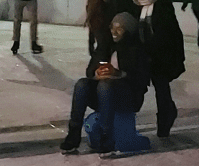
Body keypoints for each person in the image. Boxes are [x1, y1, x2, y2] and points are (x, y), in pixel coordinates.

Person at [60, 12, 149, 153]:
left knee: (105, 85)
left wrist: (118, 74)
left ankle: (107, 139)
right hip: (103, 95)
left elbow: (141, 80)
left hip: (128, 97)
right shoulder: (106, 46)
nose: (114, 32)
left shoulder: (136, 49)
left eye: (119, 29)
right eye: (112, 27)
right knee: (82, 84)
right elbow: (90, 71)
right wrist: (96, 74)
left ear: (128, 31)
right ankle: (73, 135)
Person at [133, 0, 185, 137]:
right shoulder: (136, 6)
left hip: (160, 56)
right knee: (138, 88)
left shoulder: (162, 5)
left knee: (161, 89)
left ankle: (164, 120)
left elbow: (169, 33)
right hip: (142, 55)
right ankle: (126, 122)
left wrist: (156, 52)